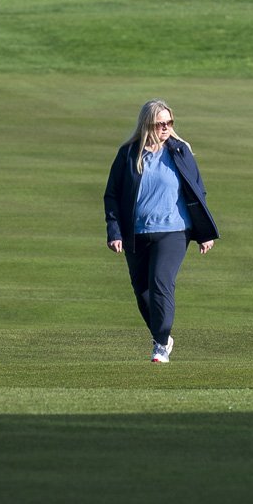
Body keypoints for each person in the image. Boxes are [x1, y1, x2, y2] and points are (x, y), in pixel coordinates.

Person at [102, 99, 220, 363]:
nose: (166, 128)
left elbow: (198, 192)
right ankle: (164, 338)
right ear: (147, 124)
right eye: (160, 123)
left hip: (174, 231)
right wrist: (115, 231)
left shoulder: (181, 151)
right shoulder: (129, 154)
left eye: (169, 122)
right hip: (136, 233)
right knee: (142, 291)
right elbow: (112, 195)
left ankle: (159, 346)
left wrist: (204, 233)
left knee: (160, 284)